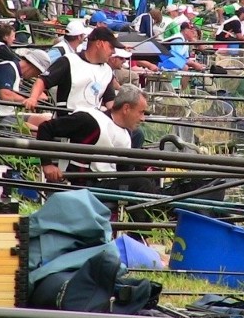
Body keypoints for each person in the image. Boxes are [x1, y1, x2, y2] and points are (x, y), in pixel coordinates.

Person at [36, 84, 156, 220]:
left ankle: (139, 234)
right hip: (79, 184)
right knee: (143, 185)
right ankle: (139, 237)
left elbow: (124, 172)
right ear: (126, 108)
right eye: (141, 112)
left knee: (148, 183)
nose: (143, 118)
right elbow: (45, 128)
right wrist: (47, 164)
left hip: (103, 184)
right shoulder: (89, 120)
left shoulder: (128, 134)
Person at [24, 26, 121, 116]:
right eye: (111, 47)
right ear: (100, 44)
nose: (114, 52)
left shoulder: (107, 71)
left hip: (91, 124)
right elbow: (43, 80)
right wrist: (33, 98)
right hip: (66, 120)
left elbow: (110, 100)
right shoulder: (69, 61)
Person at [0, 27, 52, 128]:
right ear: (33, 66)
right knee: (36, 131)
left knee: (48, 120)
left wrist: (34, 97)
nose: (36, 76)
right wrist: (29, 100)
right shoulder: (6, 68)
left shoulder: (15, 71)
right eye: (38, 72)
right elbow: (6, 95)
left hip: (8, 115)